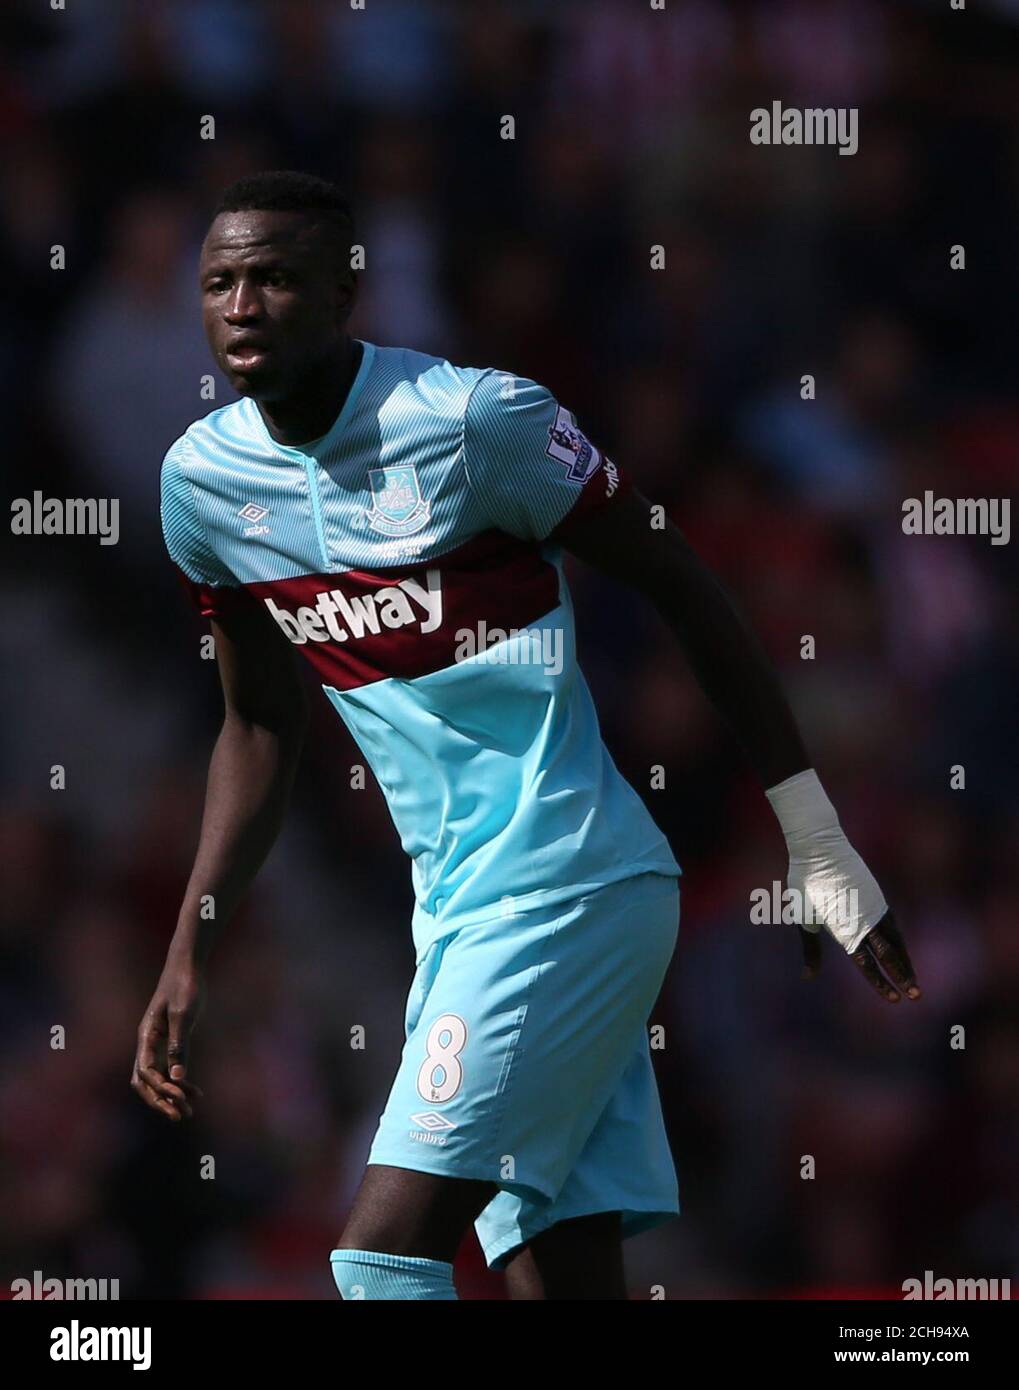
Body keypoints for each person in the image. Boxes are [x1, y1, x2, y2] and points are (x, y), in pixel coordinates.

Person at [132, 170, 920, 1301]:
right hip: (456, 911)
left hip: (568, 887)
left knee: (381, 1260)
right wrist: (190, 944)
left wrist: (811, 836)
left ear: (347, 290)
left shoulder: (473, 420)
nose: (243, 305)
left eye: (275, 278)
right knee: (559, 1279)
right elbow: (257, 722)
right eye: (220, 283)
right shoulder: (203, 486)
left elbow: (683, 585)